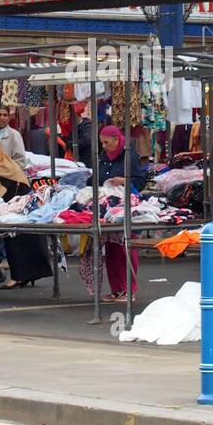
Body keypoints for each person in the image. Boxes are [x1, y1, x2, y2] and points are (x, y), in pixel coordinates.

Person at [0, 140, 51, 289]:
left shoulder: (0, 170)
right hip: (24, 210)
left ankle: (18, 277)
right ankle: (26, 276)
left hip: (19, 212)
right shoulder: (5, 165)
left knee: (16, 243)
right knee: (25, 243)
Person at [84, 125, 145, 303]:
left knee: (125, 247)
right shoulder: (103, 157)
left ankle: (129, 290)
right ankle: (117, 289)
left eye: (106, 142)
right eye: (102, 142)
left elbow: (140, 181)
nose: (103, 146)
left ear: (117, 140)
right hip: (107, 208)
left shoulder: (129, 155)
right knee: (111, 249)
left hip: (125, 206)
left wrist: (124, 180)